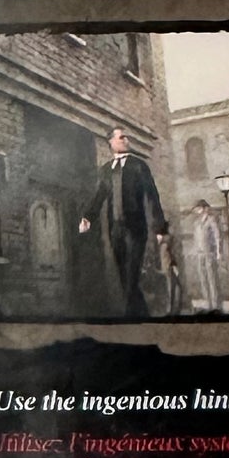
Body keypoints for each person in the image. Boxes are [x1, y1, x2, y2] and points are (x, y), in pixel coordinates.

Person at [78, 124, 170, 320]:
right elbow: (98, 196)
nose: (126, 140)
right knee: (123, 276)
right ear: (111, 142)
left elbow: (152, 196)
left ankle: (130, 319)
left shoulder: (139, 166)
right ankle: (142, 315)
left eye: (126, 137)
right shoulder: (105, 170)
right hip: (115, 229)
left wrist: (160, 227)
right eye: (121, 137)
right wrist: (87, 217)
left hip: (135, 228)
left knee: (132, 274)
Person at [180, 198, 228, 316]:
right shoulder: (197, 223)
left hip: (209, 253)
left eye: (198, 208)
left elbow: (218, 237)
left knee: (212, 280)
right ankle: (208, 304)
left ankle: (217, 306)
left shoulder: (212, 220)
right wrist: (192, 252)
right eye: (196, 209)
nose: (197, 211)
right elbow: (196, 240)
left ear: (204, 208)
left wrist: (219, 252)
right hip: (200, 254)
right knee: (203, 280)